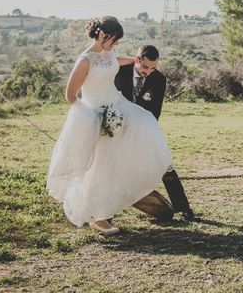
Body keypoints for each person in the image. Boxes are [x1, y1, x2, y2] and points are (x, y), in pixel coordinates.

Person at [47, 17, 173, 236]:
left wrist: (133, 59)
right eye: (114, 41)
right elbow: (70, 96)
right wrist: (90, 118)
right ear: (103, 35)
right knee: (99, 164)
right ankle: (98, 217)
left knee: (145, 122)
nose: (115, 46)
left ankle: (124, 191)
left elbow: (116, 62)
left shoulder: (108, 54)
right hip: (95, 114)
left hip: (117, 106)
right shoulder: (84, 61)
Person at [114, 44, 196, 221]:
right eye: (145, 67)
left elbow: (155, 112)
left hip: (145, 128)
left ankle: (183, 208)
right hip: (115, 128)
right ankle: (105, 215)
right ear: (137, 59)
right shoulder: (119, 71)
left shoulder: (159, 80)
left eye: (153, 68)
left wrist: (140, 133)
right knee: (110, 166)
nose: (148, 72)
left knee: (164, 163)